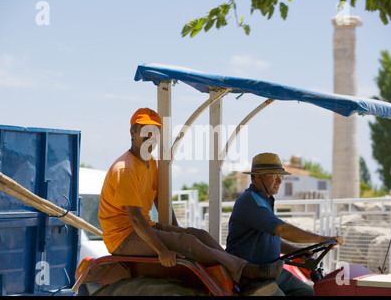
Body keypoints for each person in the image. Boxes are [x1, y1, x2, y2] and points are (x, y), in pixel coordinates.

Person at [98, 108, 284, 287]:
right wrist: (162, 250)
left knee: (197, 235)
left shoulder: (150, 163)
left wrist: (178, 230)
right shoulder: (125, 169)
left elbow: (159, 200)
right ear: (132, 132)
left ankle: (236, 266)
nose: (151, 136)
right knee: (186, 242)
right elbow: (136, 219)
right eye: (145, 130)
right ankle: (244, 272)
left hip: (142, 228)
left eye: (155, 131)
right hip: (123, 237)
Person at [226, 152, 344, 296]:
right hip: (251, 277)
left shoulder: (265, 199)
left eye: (281, 176)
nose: (280, 181)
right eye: (274, 176)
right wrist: (321, 239)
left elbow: (270, 239)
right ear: (257, 176)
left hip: (272, 272)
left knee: (311, 294)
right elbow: (282, 229)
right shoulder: (250, 201)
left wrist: (297, 252)